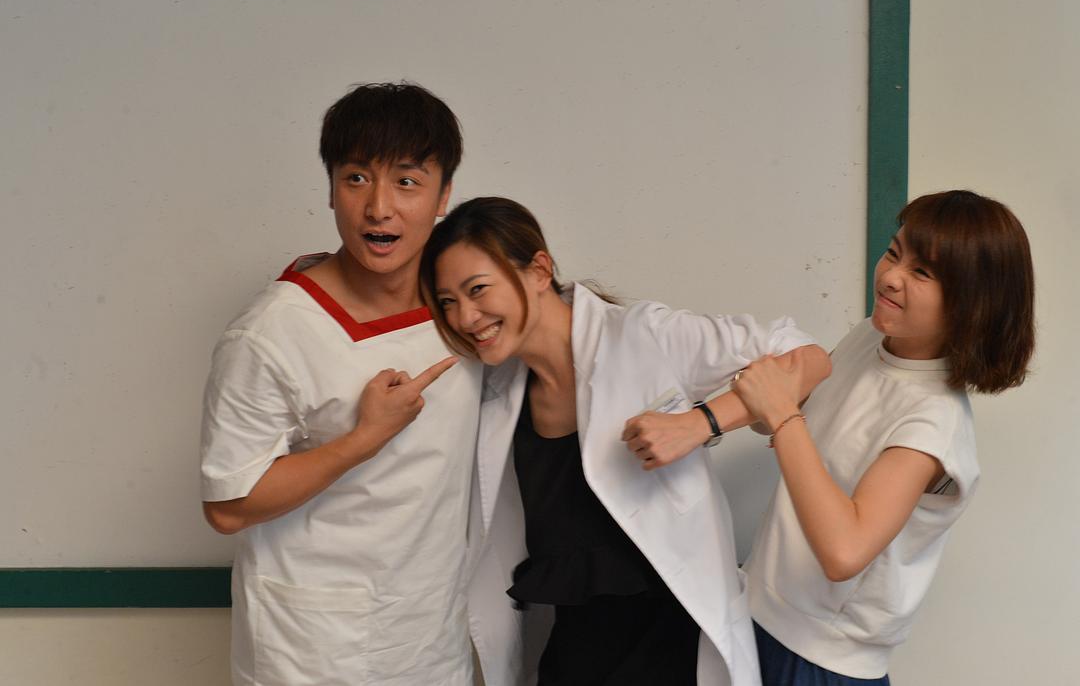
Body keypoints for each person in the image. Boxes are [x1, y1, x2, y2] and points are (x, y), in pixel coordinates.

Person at [419, 196, 832, 686]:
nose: (465, 317)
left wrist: (701, 423)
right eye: (448, 302)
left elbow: (806, 357)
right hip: (573, 654)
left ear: (539, 270)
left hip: (672, 650)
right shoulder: (495, 392)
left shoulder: (643, 337)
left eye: (478, 289)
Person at [199, 82, 482, 686]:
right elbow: (227, 507)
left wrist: (694, 417)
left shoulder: (468, 308)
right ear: (330, 189)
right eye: (356, 178)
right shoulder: (270, 333)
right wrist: (362, 439)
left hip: (431, 637)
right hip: (310, 650)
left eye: (407, 181)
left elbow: (587, 340)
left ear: (444, 196)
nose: (379, 207)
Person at [732, 190, 1036, 685]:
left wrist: (783, 417)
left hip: (819, 658)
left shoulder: (933, 422)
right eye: (894, 253)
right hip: (756, 608)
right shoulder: (871, 338)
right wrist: (743, 415)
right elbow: (797, 424)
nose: (891, 276)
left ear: (972, 304)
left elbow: (844, 552)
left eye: (922, 272)